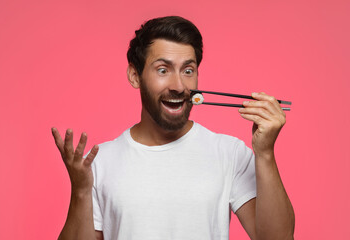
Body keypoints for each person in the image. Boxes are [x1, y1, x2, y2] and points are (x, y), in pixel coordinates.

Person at [52, 16, 295, 240]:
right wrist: (81, 192)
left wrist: (265, 153)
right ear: (135, 76)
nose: (178, 85)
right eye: (163, 70)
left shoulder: (229, 153)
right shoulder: (99, 162)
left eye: (188, 71)